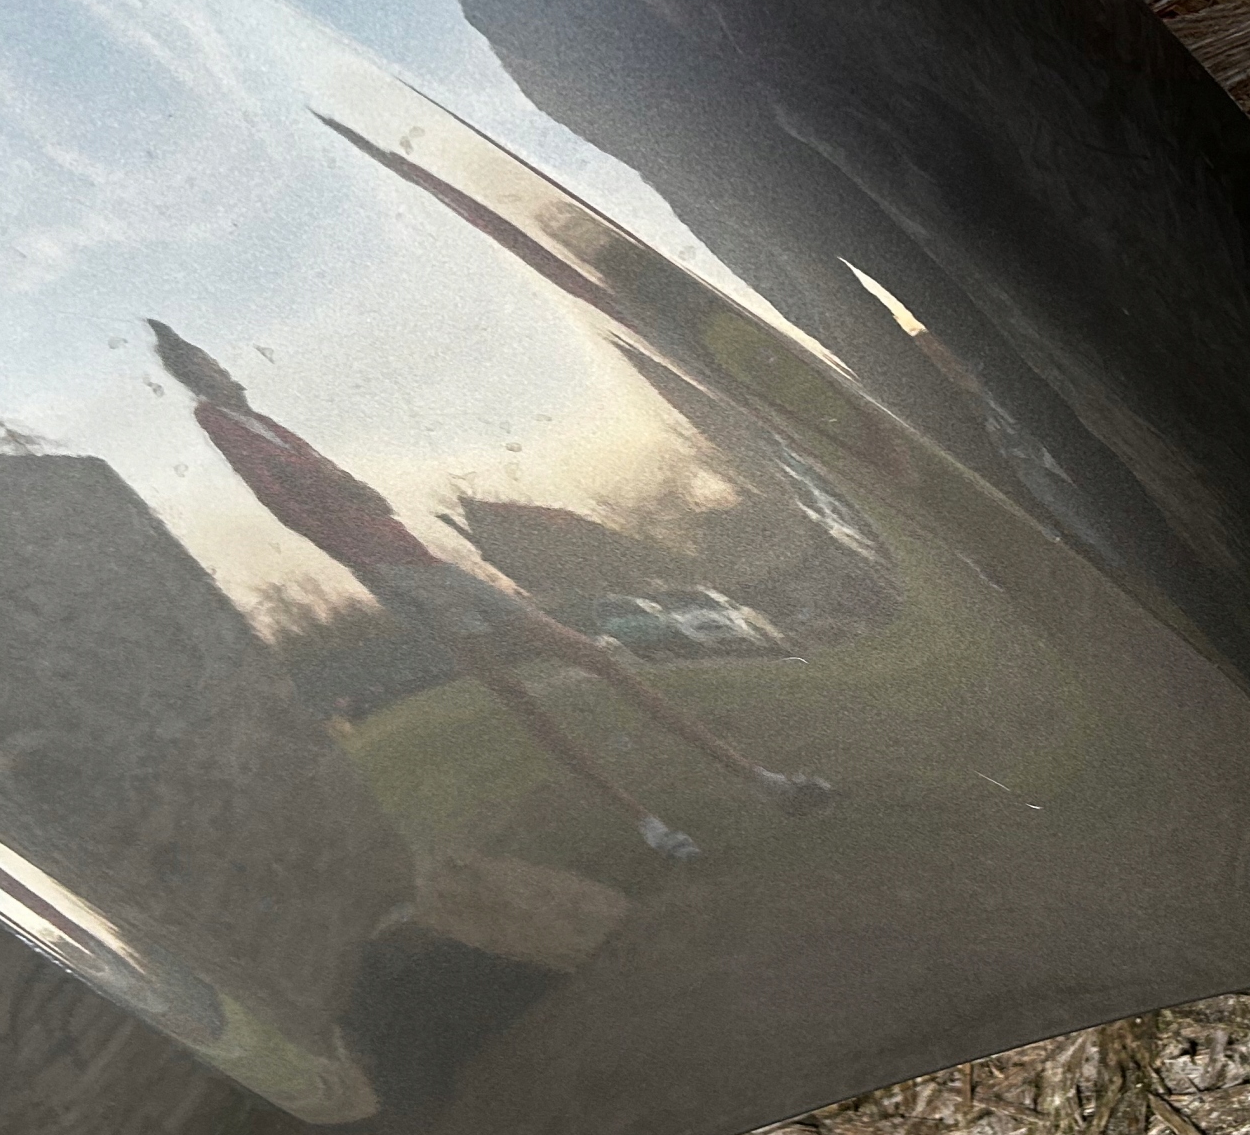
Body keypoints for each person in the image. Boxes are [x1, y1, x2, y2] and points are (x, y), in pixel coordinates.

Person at [147, 320, 830, 860]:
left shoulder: (269, 423)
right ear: (193, 377)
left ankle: (760, 780)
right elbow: (283, 501)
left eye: (216, 360)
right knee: (524, 694)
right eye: (204, 365)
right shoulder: (223, 423)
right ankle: (651, 822)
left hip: (413, 556)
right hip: (400, 572)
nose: (224, 370)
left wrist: (361, 495)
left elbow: (324, 483)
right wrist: (357, 531)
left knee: (587, 659)